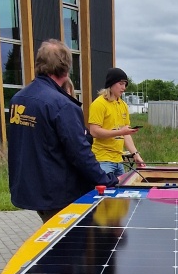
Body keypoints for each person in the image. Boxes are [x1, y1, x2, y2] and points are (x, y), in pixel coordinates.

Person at [7, 39, 114, 223]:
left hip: (32, 189)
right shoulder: (62, 105)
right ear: (65, 69)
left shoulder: (19, 98)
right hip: (58, 194)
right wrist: (106, 180)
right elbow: (79, 153)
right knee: (69, 247)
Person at [88, 68, 145, 177]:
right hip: (102, 160)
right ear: (111, 84)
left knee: (122, 192)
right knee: (105, 193)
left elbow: (126, 134)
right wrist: (120, 132)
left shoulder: (123, 105)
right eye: (121, 84)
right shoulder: (99, 104)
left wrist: (135, 154)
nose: (124, 88)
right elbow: (94, 131)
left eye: (125, 84)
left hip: (119, 160)